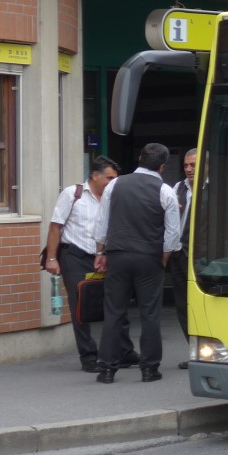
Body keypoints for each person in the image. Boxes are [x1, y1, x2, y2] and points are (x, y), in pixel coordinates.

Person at [92, 143, 181, 384]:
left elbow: (102, 222)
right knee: (150, 313)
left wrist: (101, 250)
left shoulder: (115, 185)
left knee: (114, 312)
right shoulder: (165, 191)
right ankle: (150, 369)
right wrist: (163, 257)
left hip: (118, 253)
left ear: (140, 158)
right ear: (162, 166)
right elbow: (173, 233)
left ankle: (107, 369)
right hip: (149, 257)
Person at [43, 156, 136, 373]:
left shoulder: (113, 196)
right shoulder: (72, 194)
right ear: (95, 175)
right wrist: (51, 258)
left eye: (115, 178)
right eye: (109, 177)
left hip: (104, 257)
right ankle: (88, 357)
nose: (113, 182)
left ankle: (124, 351)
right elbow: (55, 226)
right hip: (74, 256)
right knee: (80, 308)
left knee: (116, 302)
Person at [167, 147, 197, 370]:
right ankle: (193, 351)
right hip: (177, 255)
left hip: (198, 258)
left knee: (198, 307)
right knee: (182, 306)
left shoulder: (215, 189)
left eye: (193, 165)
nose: (188, 169)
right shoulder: (176, 188)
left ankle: (205, 353)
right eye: (186, 165)